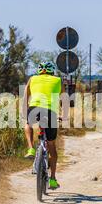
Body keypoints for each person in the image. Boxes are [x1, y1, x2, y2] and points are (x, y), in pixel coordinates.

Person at [23, 61, 64, 190]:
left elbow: (25, 96)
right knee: (51, 145)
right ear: (52, 71)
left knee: (28, 123)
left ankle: (30, 148)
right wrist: (63, 115)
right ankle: (52, 179)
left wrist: (25, 112)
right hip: (50, 112)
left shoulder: (32, 79)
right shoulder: (58, 80)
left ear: (39, 71)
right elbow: (64, 98)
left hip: (34, 108)